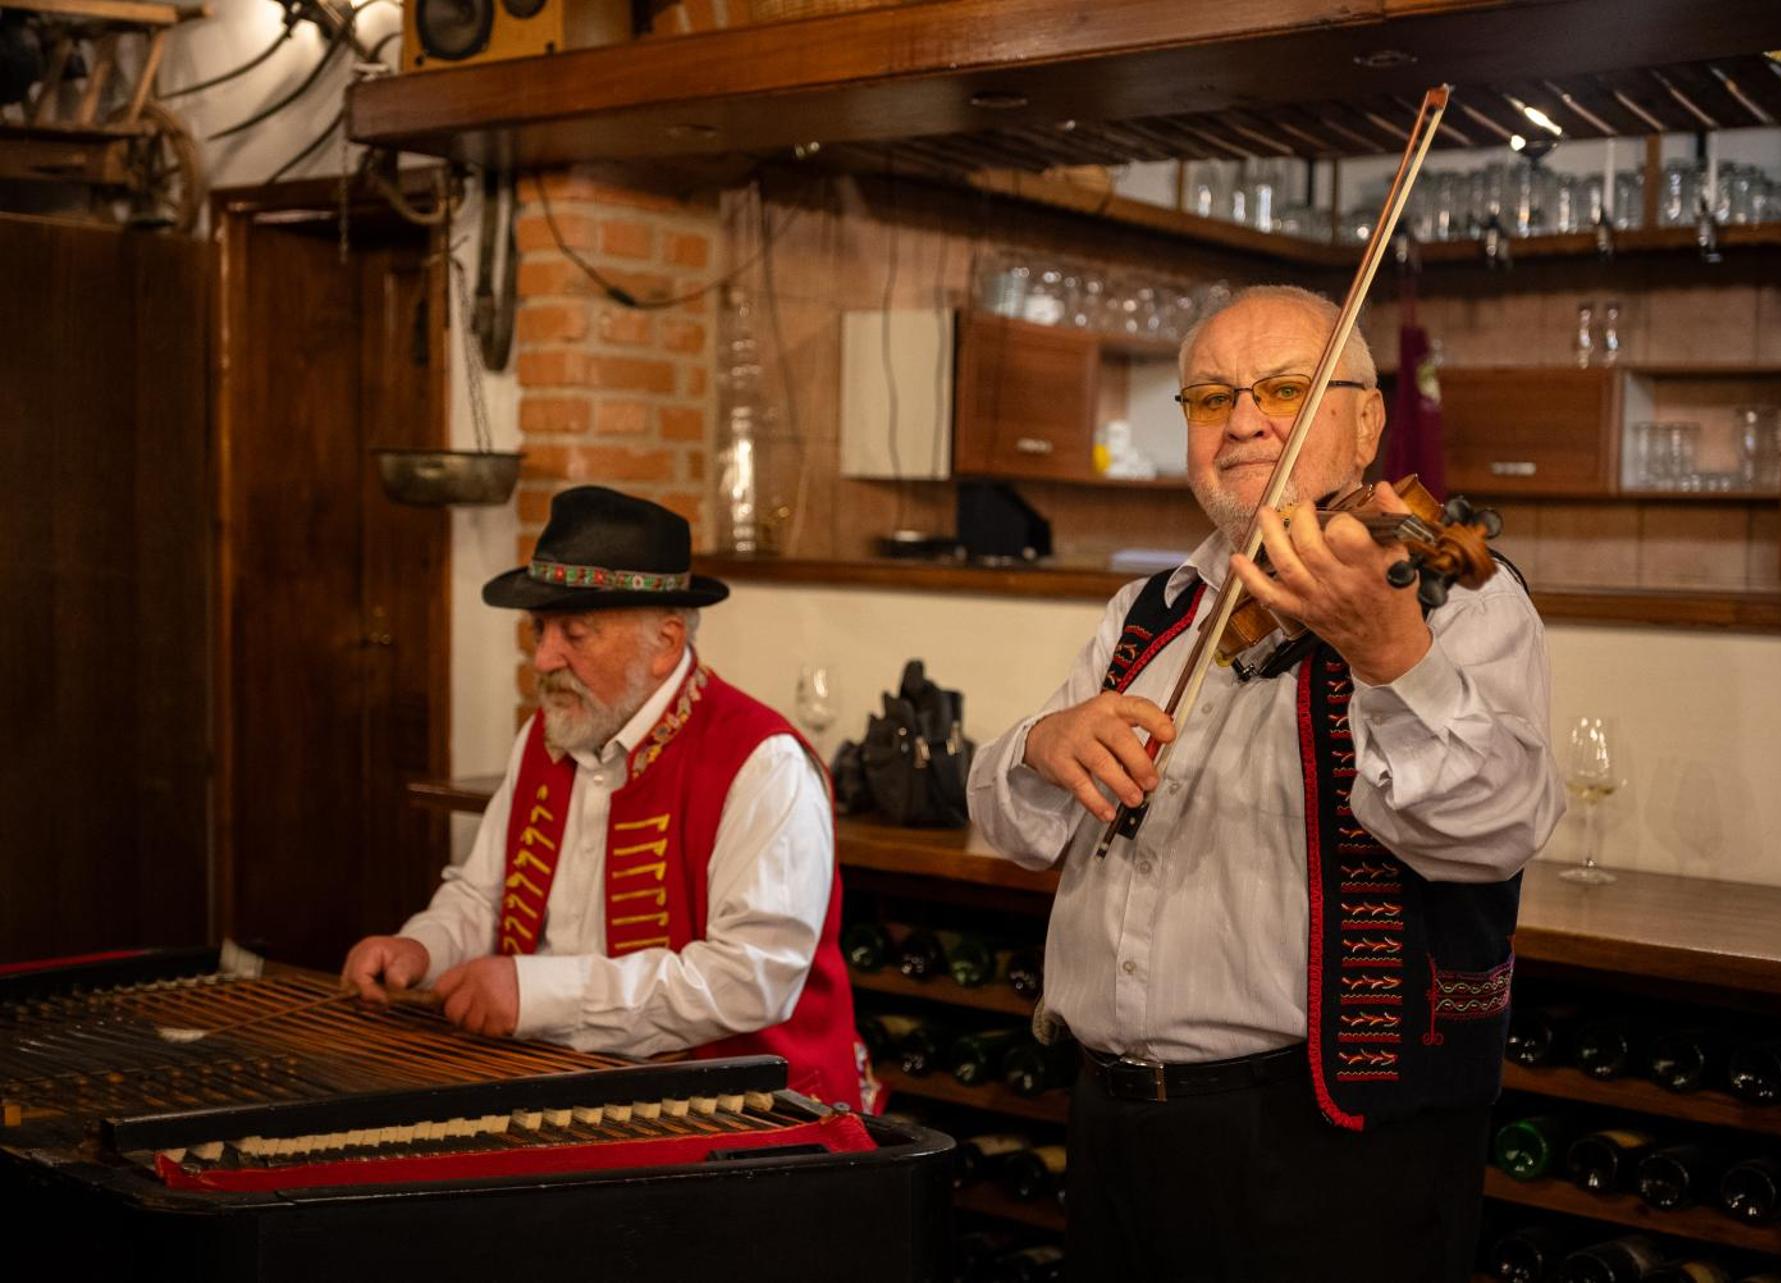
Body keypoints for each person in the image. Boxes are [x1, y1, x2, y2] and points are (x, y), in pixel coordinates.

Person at [968, 285, 1565, 1281]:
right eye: (1210, 397)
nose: (1244, 421)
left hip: (1331, 1144)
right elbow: (1012, 824)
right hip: (1115, 1124)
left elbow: (1495, 825)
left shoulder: (1453, 598)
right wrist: (1039, 743)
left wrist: (1390, 656)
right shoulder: (1146, 612)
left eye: (1285, 388)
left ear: (1367, 420)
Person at [343, 486, 860, 1107]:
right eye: (540, 628)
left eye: (575, 634)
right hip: (568, 1091)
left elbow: (749, 979)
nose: (542, 658)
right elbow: (483, 895)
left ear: (665, 643)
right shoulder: (546, 732)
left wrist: (536, 994)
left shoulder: (762, 762)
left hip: (743, 1121)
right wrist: (422, 946)